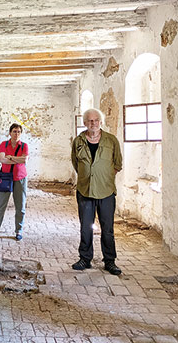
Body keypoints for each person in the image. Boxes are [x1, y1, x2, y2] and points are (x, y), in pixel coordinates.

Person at [70, 108, 122, 276]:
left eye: (96, 120)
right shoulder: (78, 141)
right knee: (86, 227)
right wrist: (88, 175)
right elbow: (75, 163)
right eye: (90, 121)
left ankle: (110, 261)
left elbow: (117, 164)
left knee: (107, 228)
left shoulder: (111, 140)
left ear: (101, 122)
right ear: (85, 123)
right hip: (85, 191)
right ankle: (85, 258)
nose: (93, 123)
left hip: (106, 191)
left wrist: (103, 176)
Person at [0, 123, 29, 241]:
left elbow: (24, 159)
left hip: (20, 178)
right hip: (6, 177)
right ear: (10, 133)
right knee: (0, 204)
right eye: (14, 131)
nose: (16, 134)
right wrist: (16, 160)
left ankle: (18, 230)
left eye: (19, 132)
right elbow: (2, 159)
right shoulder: (4, 144)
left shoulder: (24, 146)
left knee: (20, 206)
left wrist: (10, 157)